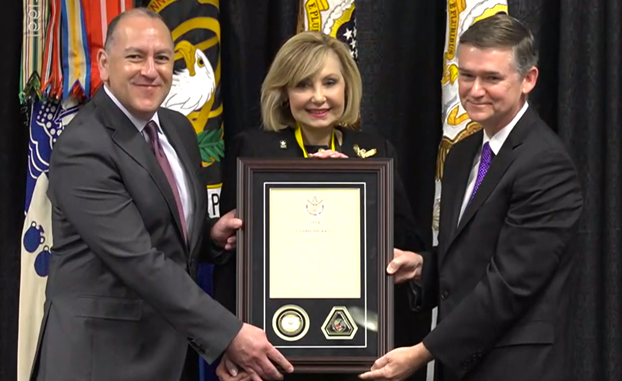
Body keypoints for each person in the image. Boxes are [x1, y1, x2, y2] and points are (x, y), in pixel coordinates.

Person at [30, 8, 292, 381]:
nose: (150, 70)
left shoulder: (177, 128)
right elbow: (137, 259)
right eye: (135, 56)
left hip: (167, 355)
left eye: (162, 58)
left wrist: (209, 237)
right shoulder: (83, 146)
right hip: (98, 362)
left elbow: (165, 229)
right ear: (104, 63)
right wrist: (229, 335)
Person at [359, 13, 583, 381]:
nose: (474, 90)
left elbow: (510, 285)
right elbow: (470, 258)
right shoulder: (463, 155)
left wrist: (421, 353)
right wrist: (423, 268)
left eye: (492, 78)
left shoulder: (546, 164)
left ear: (529, 79)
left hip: (515, 369)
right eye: (466, 75)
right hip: (461, 366)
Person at [212, 31, 427, 381]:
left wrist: (352, 187)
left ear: (347, 87)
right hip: (273, 356)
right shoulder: (253, 150)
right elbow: (233, 260)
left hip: (356, 348)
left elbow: (405, 245)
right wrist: (230, 347)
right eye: (302, 85)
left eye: (330, 82)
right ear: (284, 93)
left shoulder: (375, 151)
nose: (318, 97)